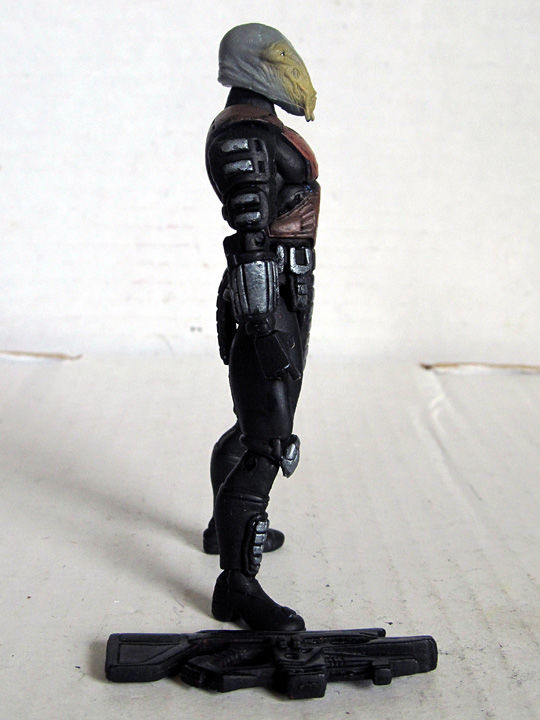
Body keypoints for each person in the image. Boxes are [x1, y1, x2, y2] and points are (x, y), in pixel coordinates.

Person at [203, 23, 320, 631]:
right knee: (269, 440)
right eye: (277, 58)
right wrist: (262, 324)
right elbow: (250, 239)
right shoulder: (244, 134)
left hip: (283, 289)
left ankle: (221, 527)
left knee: (254, 421)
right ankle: (237, 586)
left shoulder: (256, 125)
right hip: (267, 293)